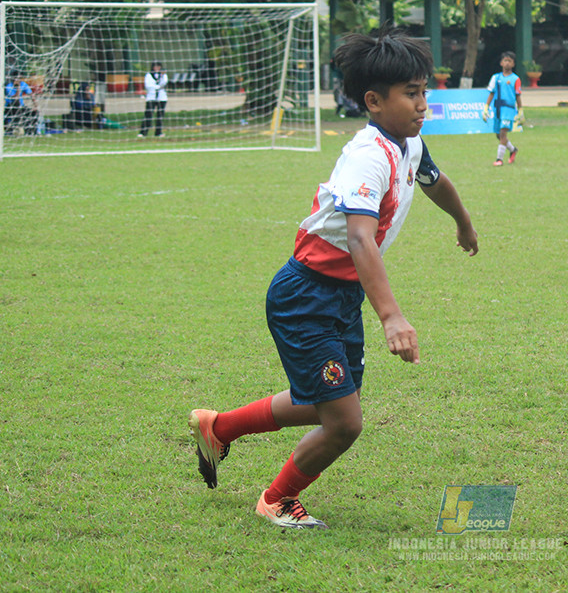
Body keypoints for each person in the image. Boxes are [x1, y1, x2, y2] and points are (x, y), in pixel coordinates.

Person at [187, 27, 480, 529]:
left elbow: (435, 181)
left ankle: (220, 426)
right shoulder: (367, 156)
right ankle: (276, 500)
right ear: (374, 100)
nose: (423, 103)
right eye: (412, 93)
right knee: (344, 422)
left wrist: (463, 221)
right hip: (307, 297)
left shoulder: (408, 143)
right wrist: (391, 316)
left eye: (424, 90)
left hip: (341, 297)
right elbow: (361, 239)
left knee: (330, 406)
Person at [481, 51, 524, 166]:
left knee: (503, 134)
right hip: (498, 109)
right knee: (499, 135)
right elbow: (491, 93)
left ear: (513, 64)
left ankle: (499, 159)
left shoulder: (516, 79)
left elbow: (518, 95)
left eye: (510, 61)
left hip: (508, 110)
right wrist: (486, 108)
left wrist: (520, 111)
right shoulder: (496, 78)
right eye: (505, 60)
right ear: (501, 63)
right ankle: (513, 149)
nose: (507, 63)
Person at [138, 61, 168, 137]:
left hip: (161, 97)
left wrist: (161, 78)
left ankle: (158, 132)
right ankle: (143, 132)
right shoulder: (148, 75)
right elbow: (148, 85)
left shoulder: (163, 75)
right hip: (151, 97)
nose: (157, 68)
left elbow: (164, 83)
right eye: (155, 66)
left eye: (158, 66)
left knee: (160, 115)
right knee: (148, 115)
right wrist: (157, 87)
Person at [4, 70, 36, 134]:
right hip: (10, 107)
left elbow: (31, 94)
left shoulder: (23, 84)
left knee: (33, 112)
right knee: (16, 104)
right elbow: (16, 98)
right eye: (17, 78)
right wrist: (18, 87)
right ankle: (11, 129)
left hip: (20, 107)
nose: (19, 80)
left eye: (20, 78)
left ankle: (30, 131)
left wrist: (35, 106)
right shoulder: (8, 87)